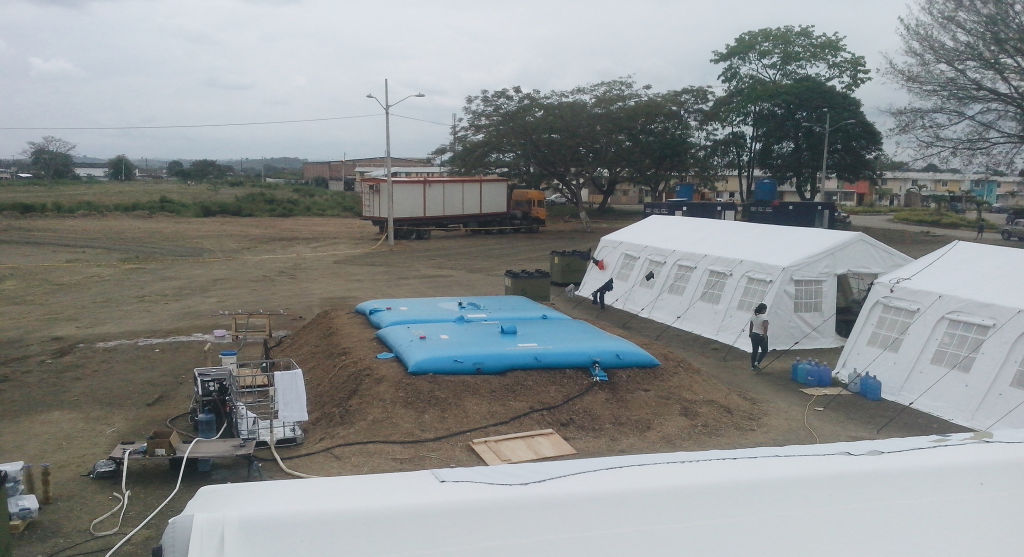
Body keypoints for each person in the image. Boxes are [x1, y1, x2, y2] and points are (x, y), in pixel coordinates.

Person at [749, 303, 769, 371]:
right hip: (761, 335)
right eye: (765, 309)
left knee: (754, 351)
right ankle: (757, 363)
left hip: (753, 334)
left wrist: (750, 333)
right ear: (763, 310)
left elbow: (751, 325)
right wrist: (765, 335)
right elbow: (765, 327)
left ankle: (753, 366)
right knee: (764, 350)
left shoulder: (753, 316)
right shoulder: (764, 317)